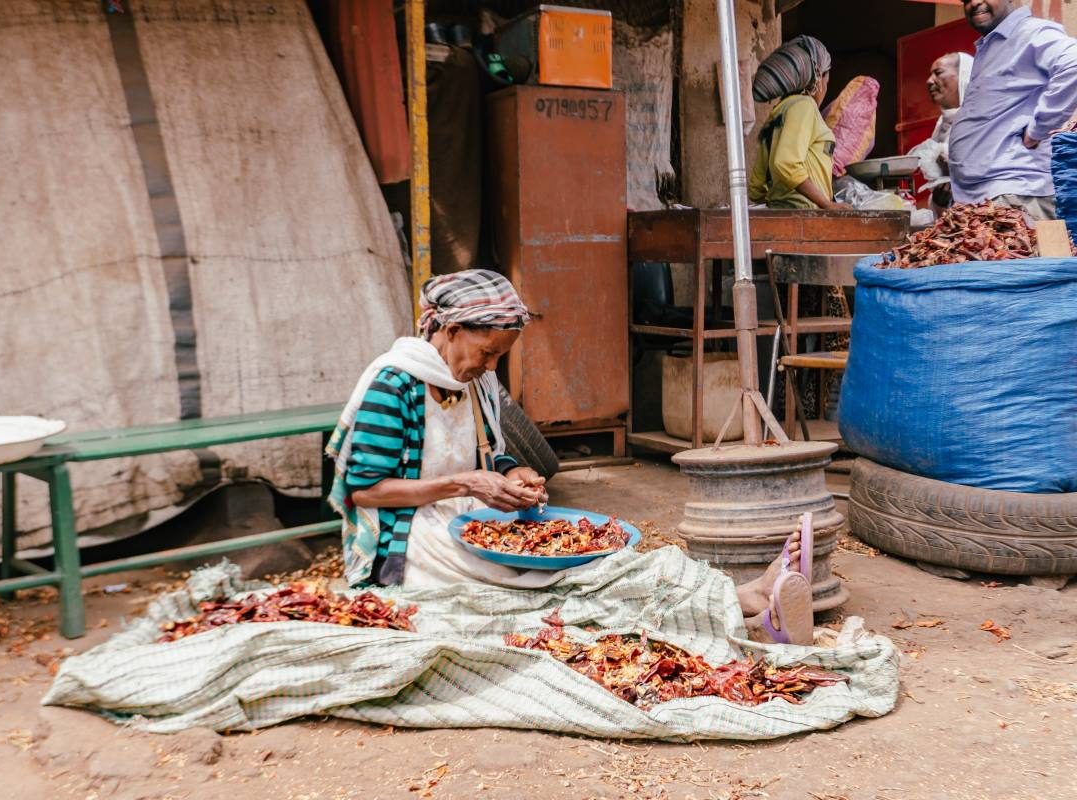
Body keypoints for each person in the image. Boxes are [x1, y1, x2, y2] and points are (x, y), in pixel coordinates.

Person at [326, 269, 817, 645]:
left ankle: (736, 596)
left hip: (464, 517)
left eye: (500, 356)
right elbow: (366, 490)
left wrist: (511, 472)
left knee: (596, 558)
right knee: (561, 582)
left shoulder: (475, 384)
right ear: (451, 329)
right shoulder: (393, 384)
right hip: (412, 538)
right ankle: (739, 601)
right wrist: (467, 485)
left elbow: (487, 457)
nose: (491, 366)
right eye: (487, 352)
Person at [948, 0, 1077, 221]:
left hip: (1014, 194)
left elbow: (1073, 63)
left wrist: (1038, 129)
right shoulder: (994, 44)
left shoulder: (1029, 31)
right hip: (989, 196)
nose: (975, 3)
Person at [749, 35, 851, 211]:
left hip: (780, 215)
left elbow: (755, 187)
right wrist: (826, 204)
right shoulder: (804, 105)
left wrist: (778, 196)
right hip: (804, 217)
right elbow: (786, 163)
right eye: (827, 81)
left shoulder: (778, 112)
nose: (825, 88)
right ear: (819, 79)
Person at [921, 52, 974, 212]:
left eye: (938, 73)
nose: (929, 81)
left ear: (964, 76)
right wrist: (940, 201)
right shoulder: (941, 126)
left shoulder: (982, 120)